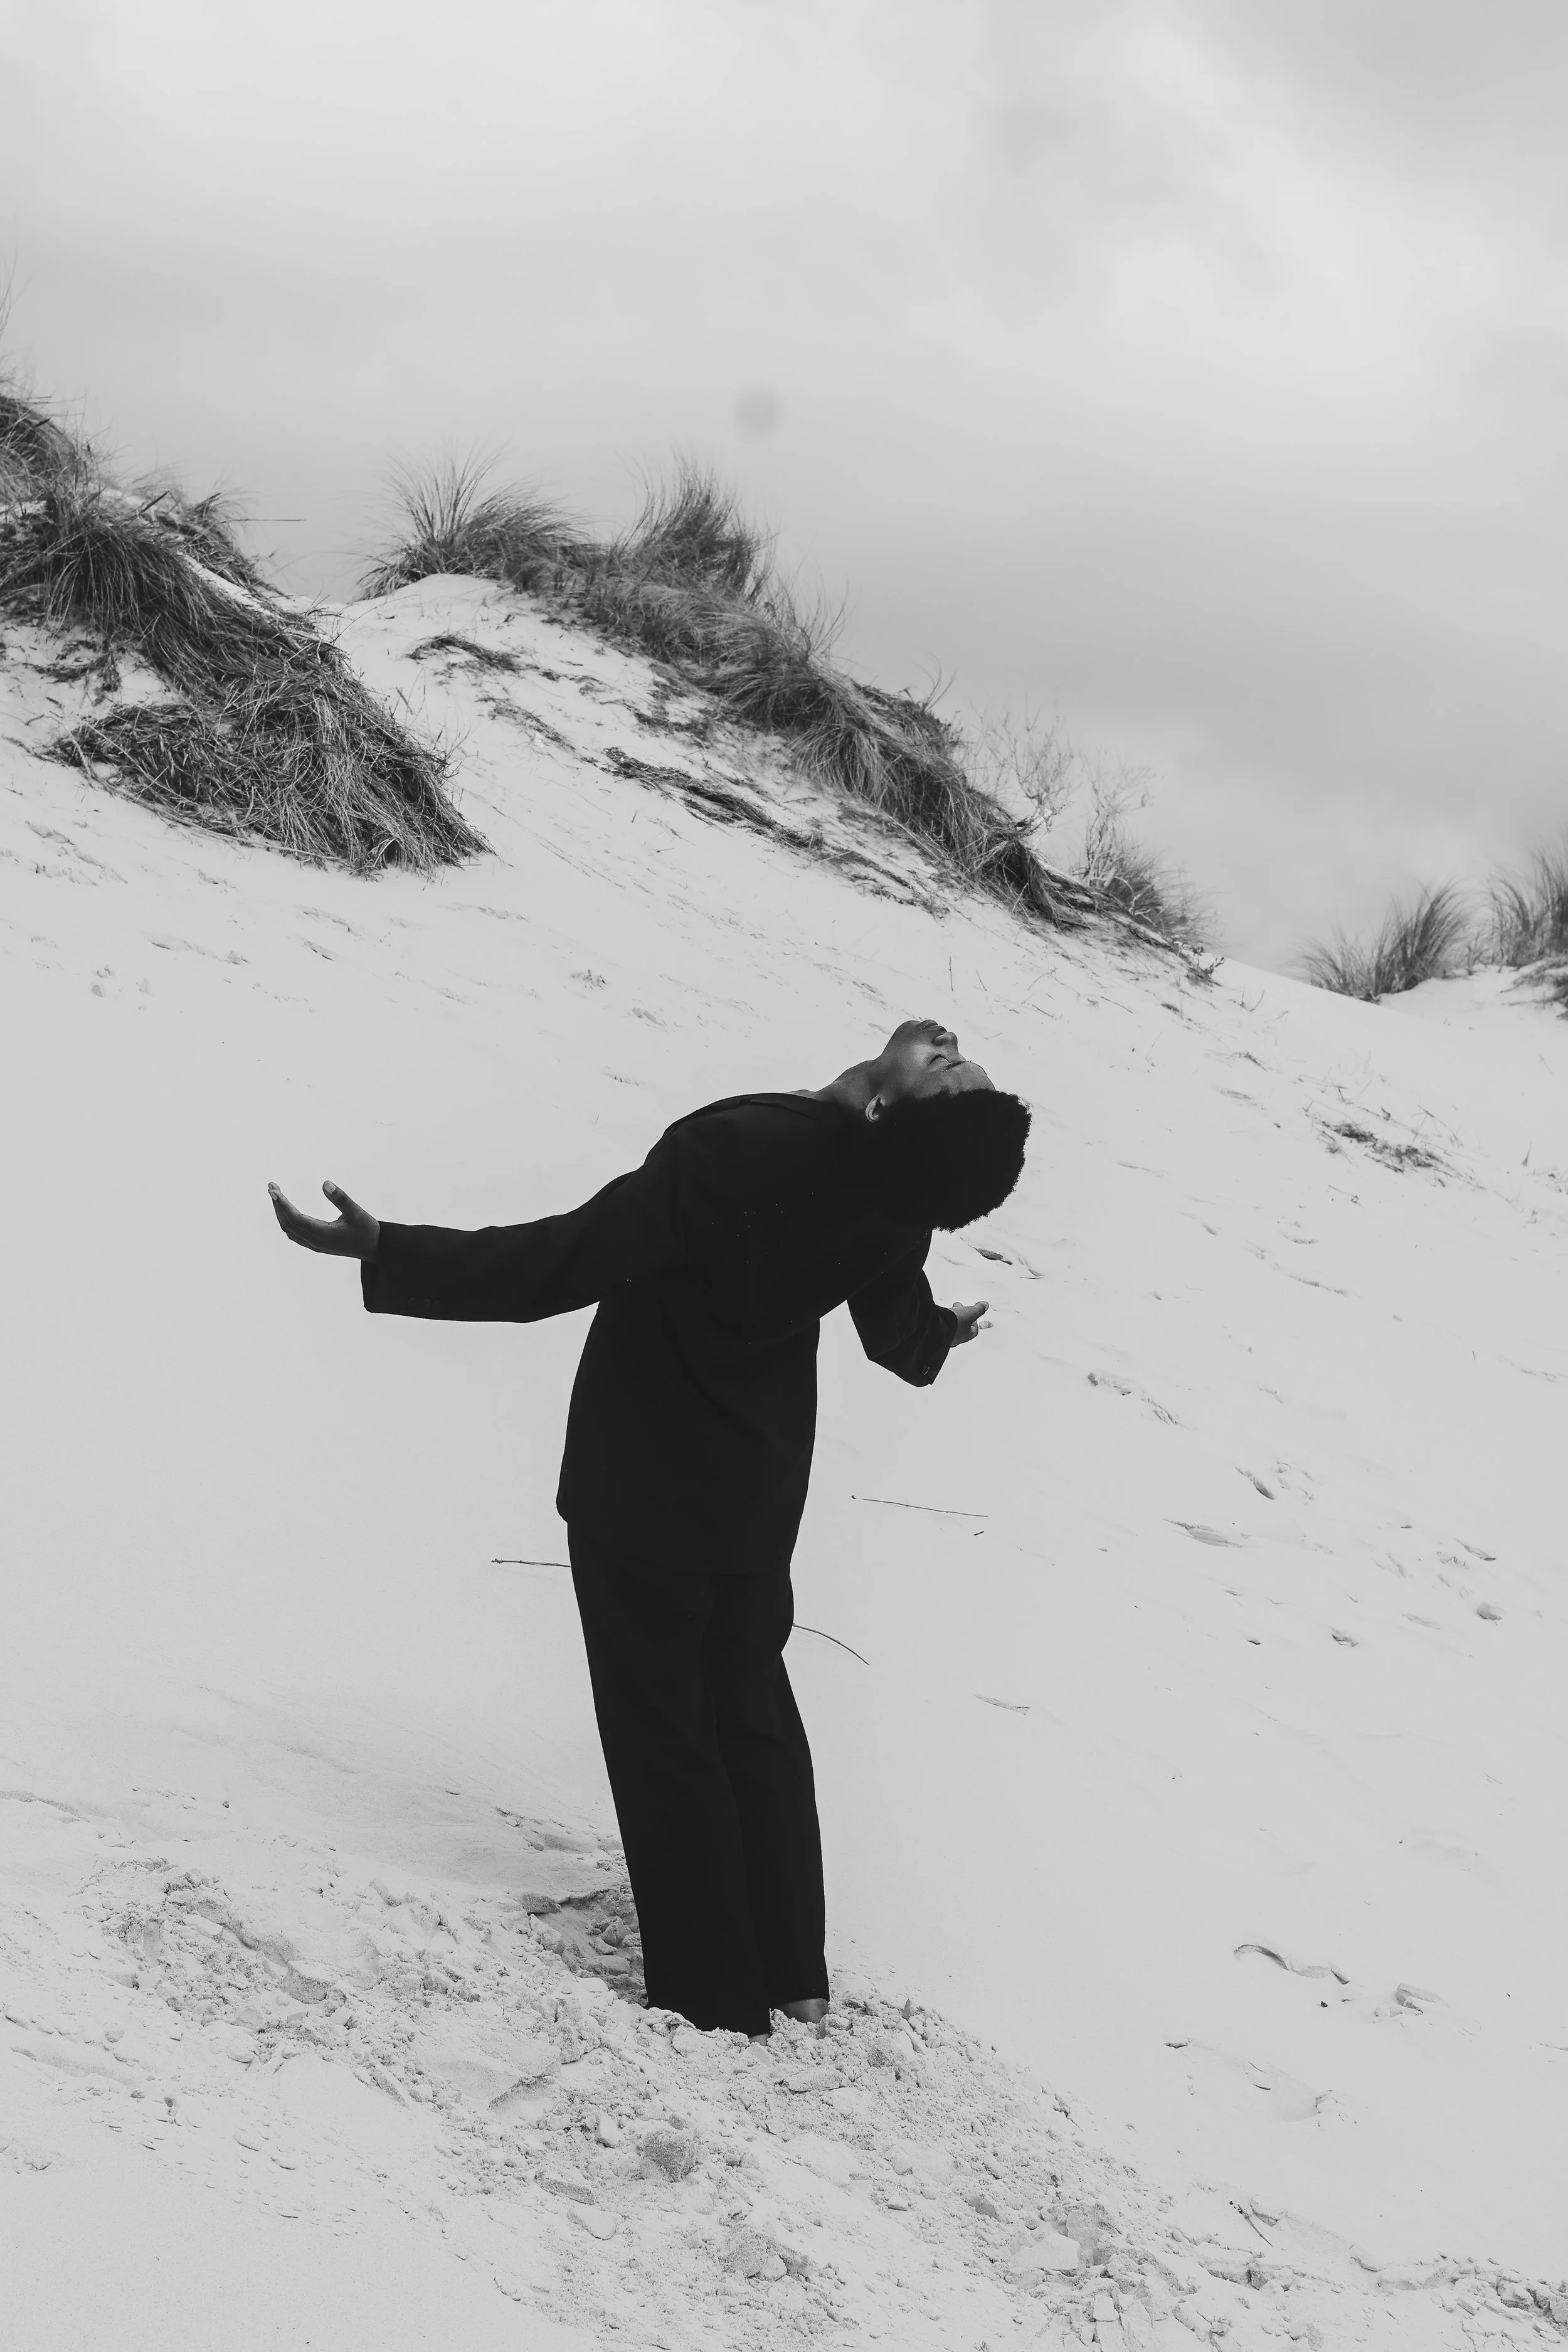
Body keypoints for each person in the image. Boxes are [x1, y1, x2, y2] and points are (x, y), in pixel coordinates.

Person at [269, 1017, 1030, 2039]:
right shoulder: (898, 1195)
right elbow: (896, 1326)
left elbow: (569, 1259)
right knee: (750, 1716)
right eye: (959, 1061)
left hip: (647, 1476)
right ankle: (793, 1973)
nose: (949, 1044)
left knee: (665, 1729)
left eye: (948, 1069)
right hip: (757, 1489)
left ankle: (714, 1997)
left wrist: (389, 1249)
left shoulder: (745, 1149)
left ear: (888, 1106)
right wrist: (945, 1333)